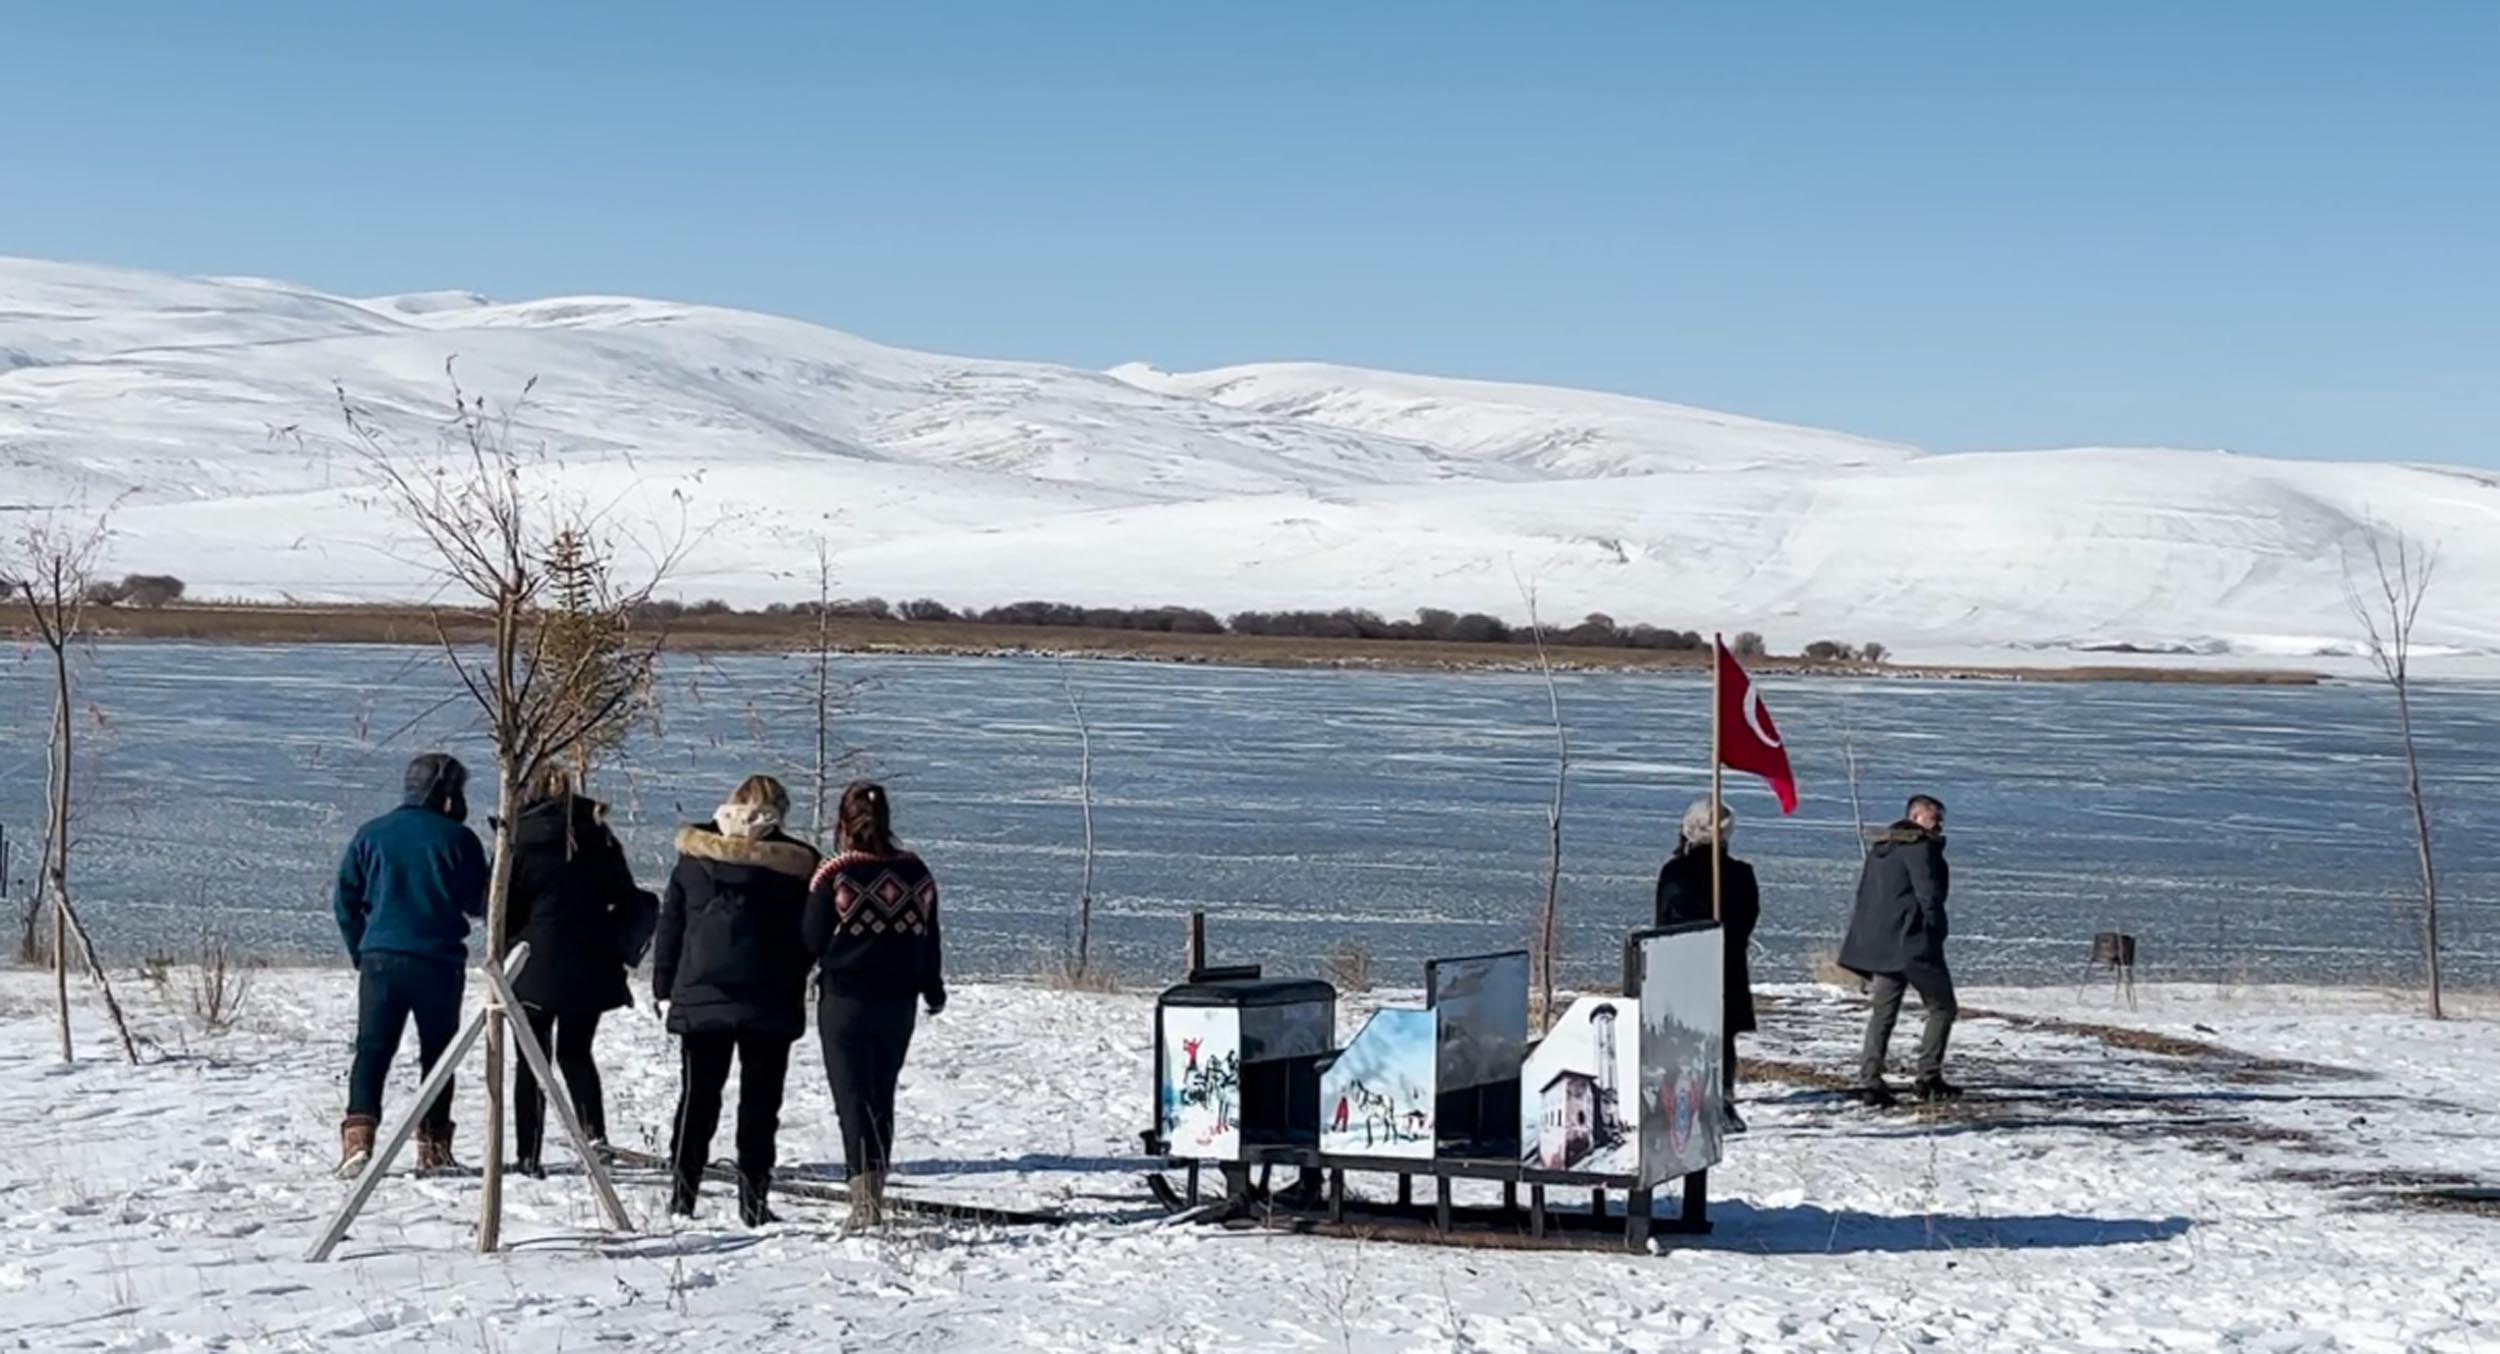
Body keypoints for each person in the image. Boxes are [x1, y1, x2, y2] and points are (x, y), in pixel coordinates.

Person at [652, 774, 820, 1226]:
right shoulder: (796, 864)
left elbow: (671, 925)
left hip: (701, 994)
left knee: (697, 1100)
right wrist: (797, 973)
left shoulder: (694, 855)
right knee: (760, 1106)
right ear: (779, 811)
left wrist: (663, 988)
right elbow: (810, 935)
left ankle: (682, 1196)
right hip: (770, 1000)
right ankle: (753, 1201)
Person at [332, 752, 490, 1177]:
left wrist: (361, 949)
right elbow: (479, 903)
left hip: (380, 958)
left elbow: (345, 900)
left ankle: (358, 1139)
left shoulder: (371, 834)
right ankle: (433, 1146)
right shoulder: (459, 839)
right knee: (439, 1055)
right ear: (447, 793)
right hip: (438, 961)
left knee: (372, 1049)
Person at [805, 780, 946, 1228]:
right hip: (899, 1001)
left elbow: (809, 939)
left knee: (851, 1097)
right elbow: (930, 938)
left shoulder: (835, 872)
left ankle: (863, 1201)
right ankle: (875, 1192)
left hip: (844, 999)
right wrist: (932, 988)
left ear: (842, 822)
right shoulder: (917, 871)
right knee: (881, 1095)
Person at [503, 763, 641, 1179]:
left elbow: (504, 906)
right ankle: (594, 1137)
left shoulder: (518, 840)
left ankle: (529, 1153)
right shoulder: (598, 835)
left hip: (532, 962)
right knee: (577, 1052)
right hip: (590, 961)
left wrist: (511, 943)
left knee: (532, 1059)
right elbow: (625, 896)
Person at [1838, 794, 1958, 1105]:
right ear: (1916, 818)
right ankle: (1928, 1077)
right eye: (1934, 818)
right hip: (1913, 943)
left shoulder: (1882, 848)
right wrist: (1936, 932)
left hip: (1883, 943)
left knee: (1883, 1011)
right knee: (1942, 1007)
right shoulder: (1919, 849)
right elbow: (1929, 896)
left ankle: (1870, 1078)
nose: (1940, 825)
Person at [1654, 797, 1761, 1132]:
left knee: (1683, 1035)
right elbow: (1747, 920)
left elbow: (1663, 923)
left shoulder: (1675, 871)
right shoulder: (1742, 874)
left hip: (1684, 965)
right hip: (1726, 964)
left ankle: (1686, 1101)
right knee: (1721, 1035)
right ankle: (1721, 1097)